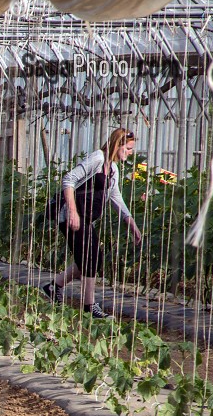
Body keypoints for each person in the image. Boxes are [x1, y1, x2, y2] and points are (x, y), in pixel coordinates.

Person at [41, 127, 143, 319]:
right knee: (91, 255)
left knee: (91, 256)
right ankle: (90, 306)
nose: (130, 153)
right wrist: (72, 211)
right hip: (70, 215)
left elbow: (115, 197)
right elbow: (69, 180)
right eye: (128, 148)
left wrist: (131, 224)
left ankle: (54, 286)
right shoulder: (97, 158)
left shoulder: (112, 170)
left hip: (84, 218)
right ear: (118, 145)